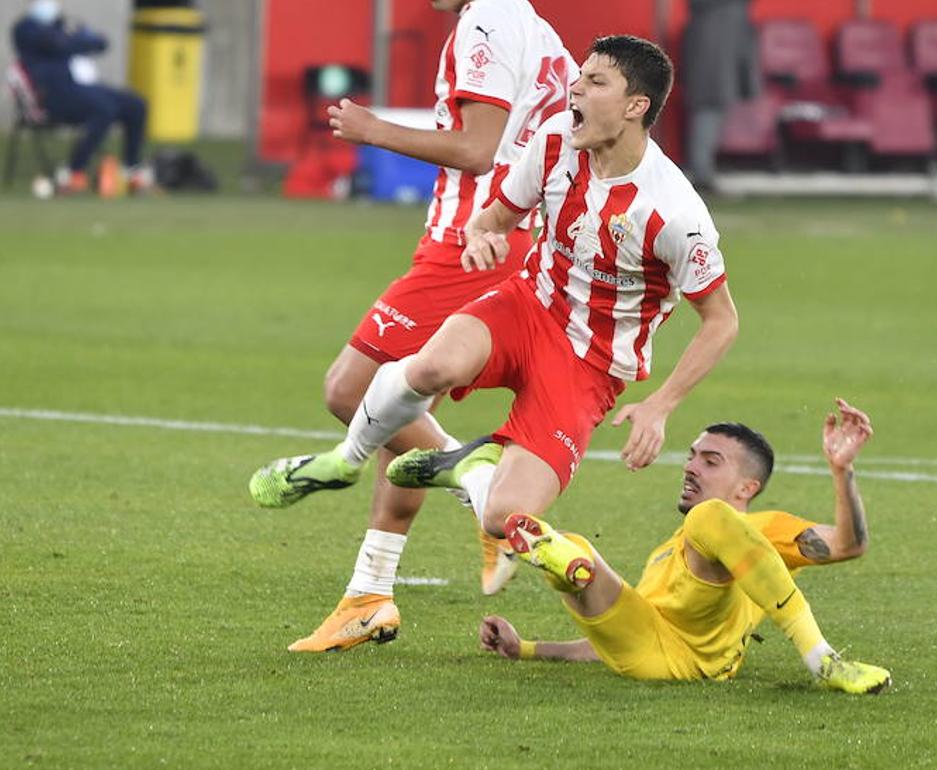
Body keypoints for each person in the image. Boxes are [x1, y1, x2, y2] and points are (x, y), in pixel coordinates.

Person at [250, 35, 739, 649]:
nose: (575, 90)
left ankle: (467, 466)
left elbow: (721, 320)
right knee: (431, 367)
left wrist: (661, 405)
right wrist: (483, 237)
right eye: (579, 77)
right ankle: (343, 461)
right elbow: (496, 217)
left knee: (504, 518)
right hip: (526, 307)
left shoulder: (676, 213)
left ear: (636, 106)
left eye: (595, 83)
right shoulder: (557, 140)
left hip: (589, 364)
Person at [249, 0, 577, 651]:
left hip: (472, 241)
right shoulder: (529, 23)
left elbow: (477, 150)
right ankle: (369, 594)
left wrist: (374, 130)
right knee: (396, 407)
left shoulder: (485, 20)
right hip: (508, 236)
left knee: (351, 390)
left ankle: (480, 489)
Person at [467, 400, 890, 692]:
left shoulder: (767, 530)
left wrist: (842, 470)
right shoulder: (664, 554)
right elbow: (617, 643)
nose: (689, 467)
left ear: (748, 486)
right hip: (646, 652)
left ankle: (823, 659)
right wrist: (524, 649)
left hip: (691, 665)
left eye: (710, 461)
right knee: (579, 552)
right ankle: (559, 554)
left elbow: (848, 544)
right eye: (691, 456)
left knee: (708, 518)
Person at [11, 0, 151, 194]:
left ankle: (131, 171)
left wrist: (75, 39)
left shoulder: (59, 26)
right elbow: (57, 44)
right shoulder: (25, 29)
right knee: (103, 109)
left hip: (79, 87)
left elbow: (101, 43)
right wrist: (78, 39)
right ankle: (75, 172)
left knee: (136, 105)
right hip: (53, 95)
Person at [682, 0, 758, 193]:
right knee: (709, 106)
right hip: (714, 44)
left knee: (714, 108)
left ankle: (703, 170)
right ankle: (702, 172)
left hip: (724, 41)